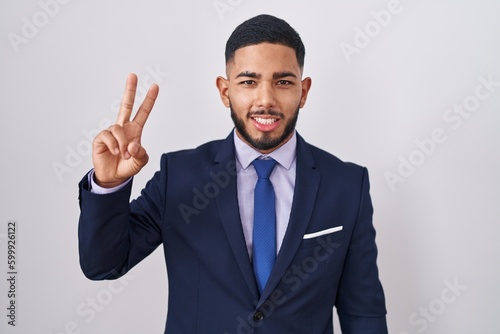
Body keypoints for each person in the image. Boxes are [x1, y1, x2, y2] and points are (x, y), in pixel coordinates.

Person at [78, 14, 388, 333]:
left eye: (283, 81)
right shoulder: (180, 176)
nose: (265, 100)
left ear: (304, 91)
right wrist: (109, 186)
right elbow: (103, 265)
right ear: (225, 91)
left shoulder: (346, 185)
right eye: (248, 81)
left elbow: (362, 311)